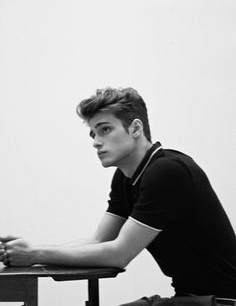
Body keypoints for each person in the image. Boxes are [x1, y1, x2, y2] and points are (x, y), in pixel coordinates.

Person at [0, 87, 236, 305]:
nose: (95, 142)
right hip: (189, 299)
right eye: (92, 134)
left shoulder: (167, 171)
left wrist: (35, 254)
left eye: (105, 129)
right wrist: (33, 251)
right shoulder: (126, 177)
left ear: (135, 128)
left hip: (221, 301)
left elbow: (119, 254)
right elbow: (100, 241)